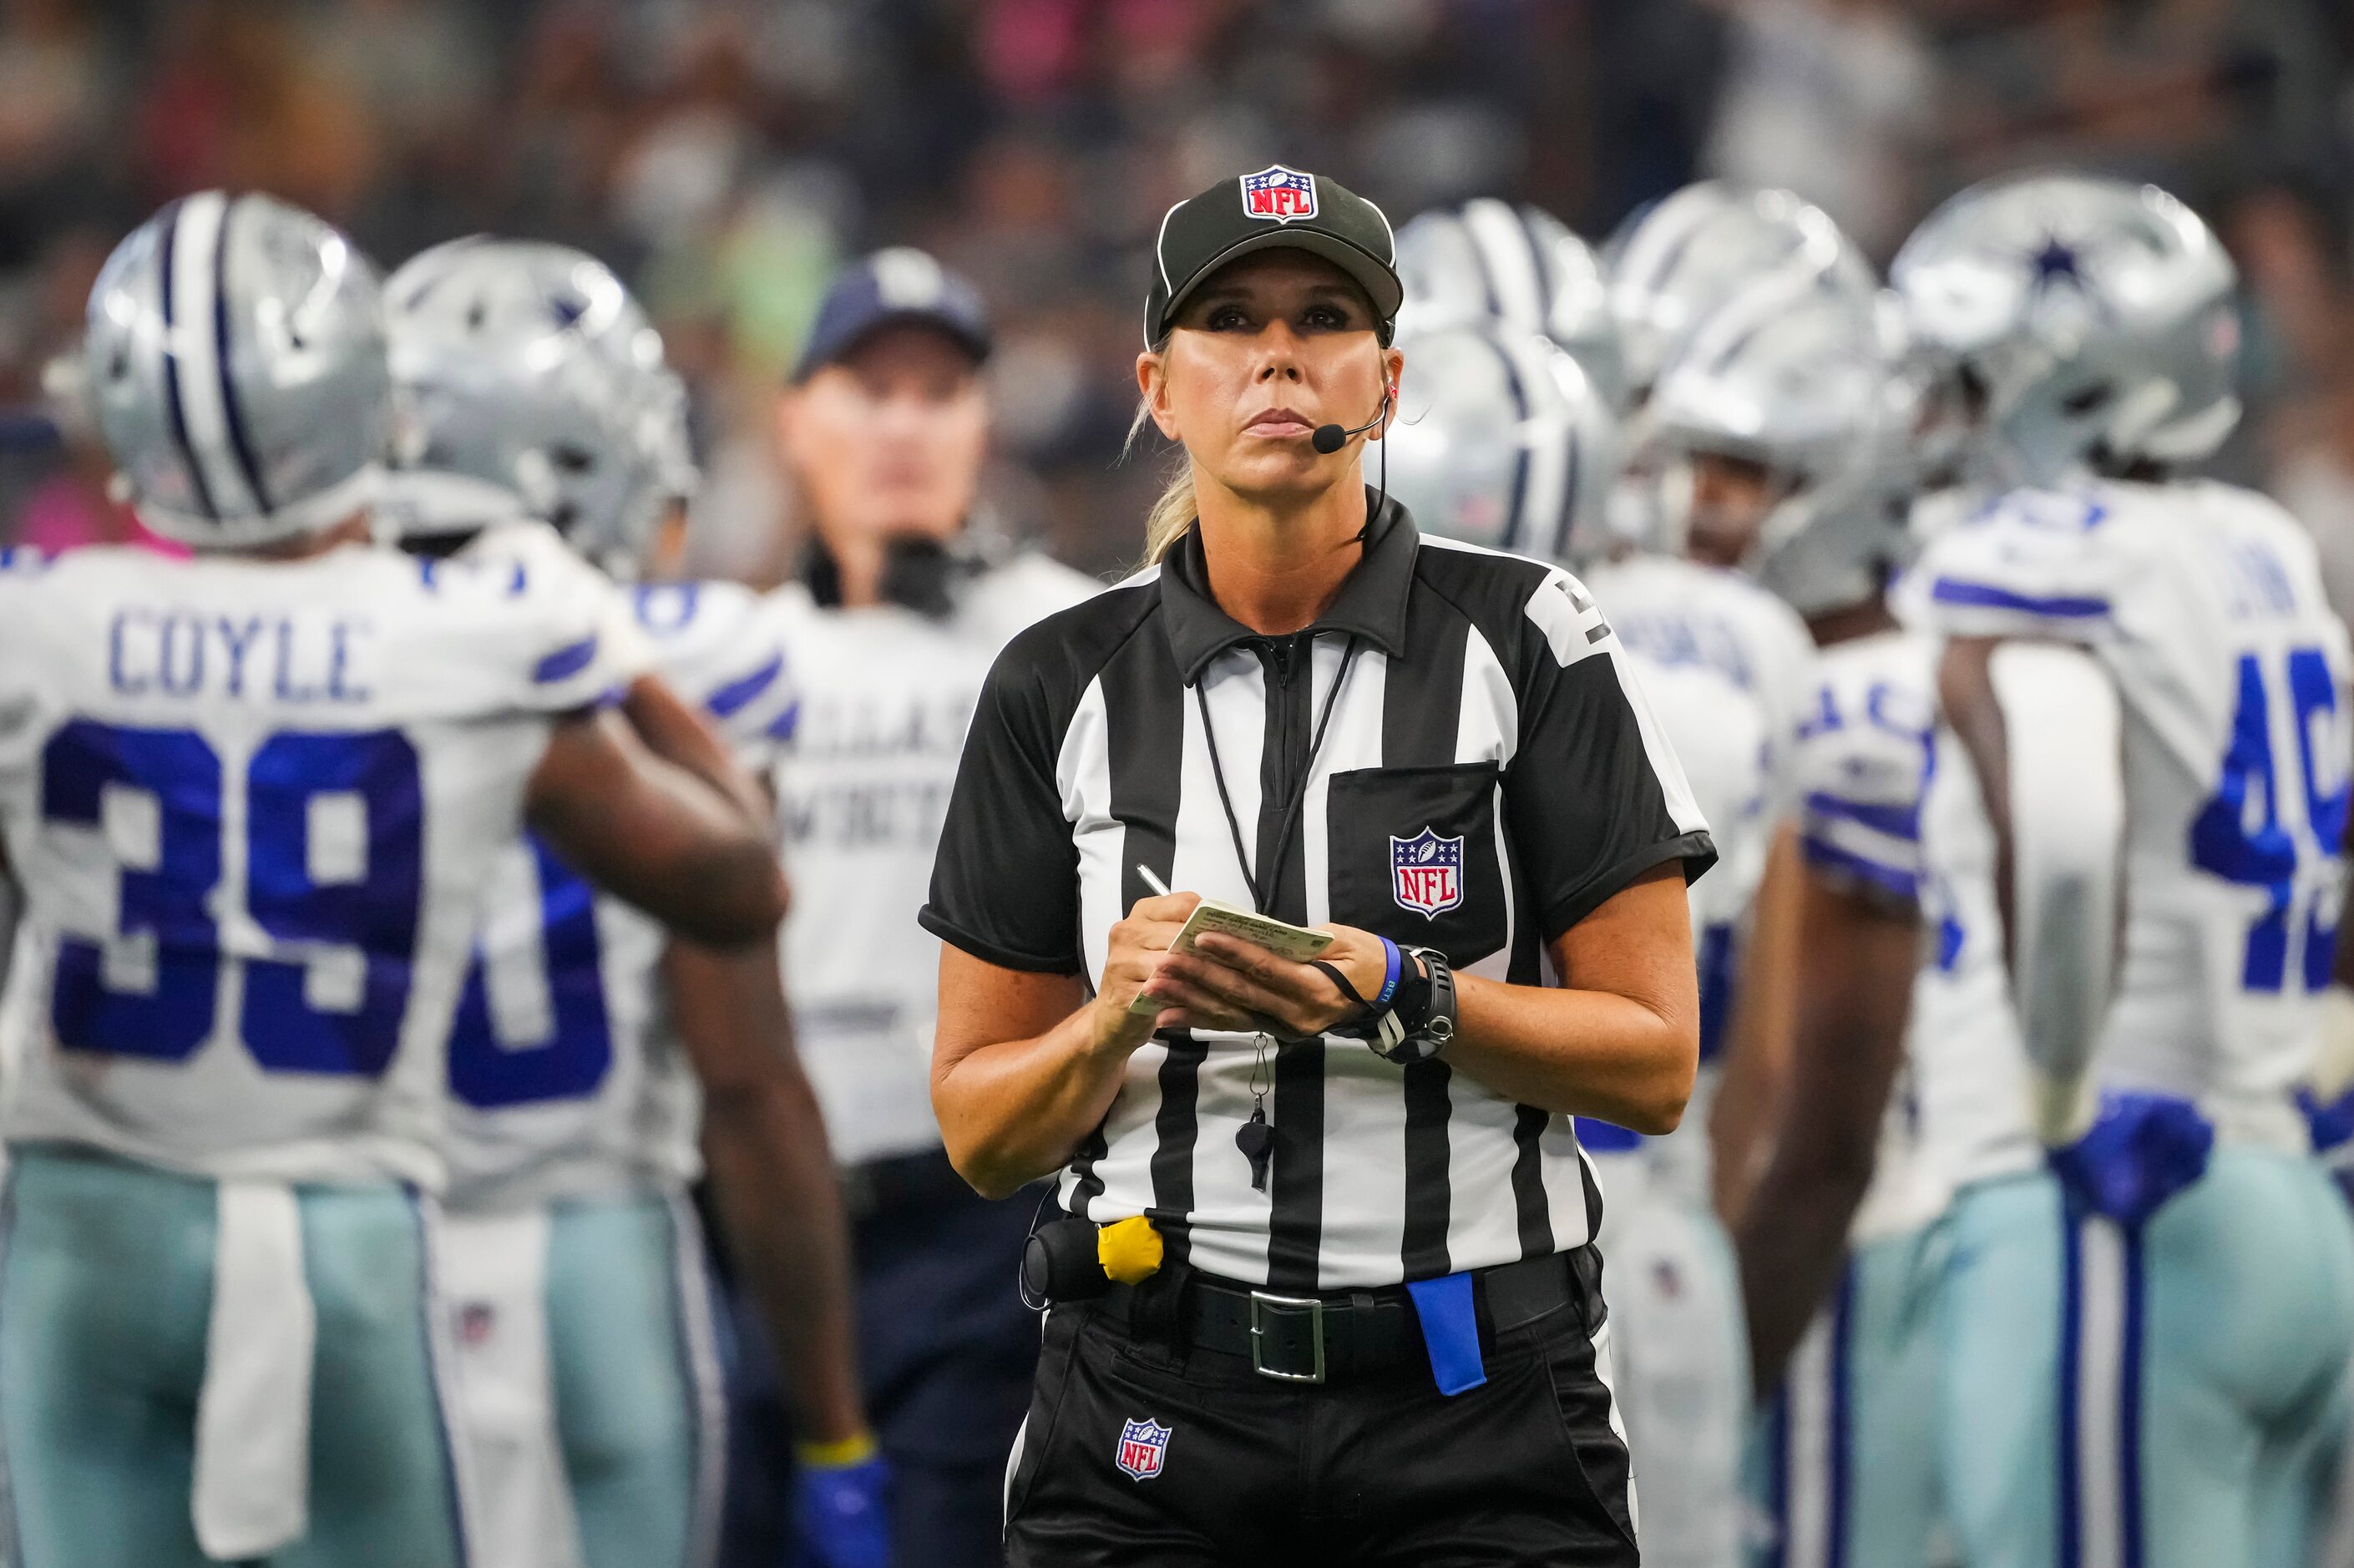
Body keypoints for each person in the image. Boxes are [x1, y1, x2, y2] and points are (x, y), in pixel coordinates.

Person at [926, 164, 1715, 1565]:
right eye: (1231, 318)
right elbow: (984, 1131)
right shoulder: (1056, 679)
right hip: (1151, 1405)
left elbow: (1654, 1061)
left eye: (1323, 315)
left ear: (1389, 380)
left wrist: (1409, 996)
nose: (1279, 351)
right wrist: (1116, 1015)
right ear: (1160, 387)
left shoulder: (1531, 637)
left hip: (1473, 1403)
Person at [0, 192, 785, 1566]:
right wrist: (612, 653)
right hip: (345, 1231)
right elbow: (738, 882)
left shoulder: (37, 620)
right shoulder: (476, 636)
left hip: (82, 1227)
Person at [381, 237, 884, 1568]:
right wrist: (835, 1427)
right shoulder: (690, 655)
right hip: (584, 1258)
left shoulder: (314, 651)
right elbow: (749, 1085)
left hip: (353, 1245)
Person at [1896, 169, 2354, 1568]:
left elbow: (2069, 817)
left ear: (2061, 384)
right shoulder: (2263, 543)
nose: (1937, 419)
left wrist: (2057, 1098)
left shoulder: (2055, 552)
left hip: (2125, 1188)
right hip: (2285, 1188)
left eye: (1967, 382)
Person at [1382, 299, 1786, 1568]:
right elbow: (1748, 1049)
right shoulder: (1719, 677)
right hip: (1664, 1230)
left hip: (1475, 1246)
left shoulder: (1394, 709)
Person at [745, 245, 1096, 1568]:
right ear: (794, 418)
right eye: (866, 385)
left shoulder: (1075, 641)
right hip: (768, 1228)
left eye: (938, 390)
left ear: (982, 426)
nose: (901, 422)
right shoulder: (734, 657)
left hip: (985, 1223)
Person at [1661, 279, 1952, 1567]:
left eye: (1745, 466)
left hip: (1851, 1253)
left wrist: (1737, 1355)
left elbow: (1819, 1114)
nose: (1703, 503)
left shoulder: (1833, 702)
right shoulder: (1936, 651)